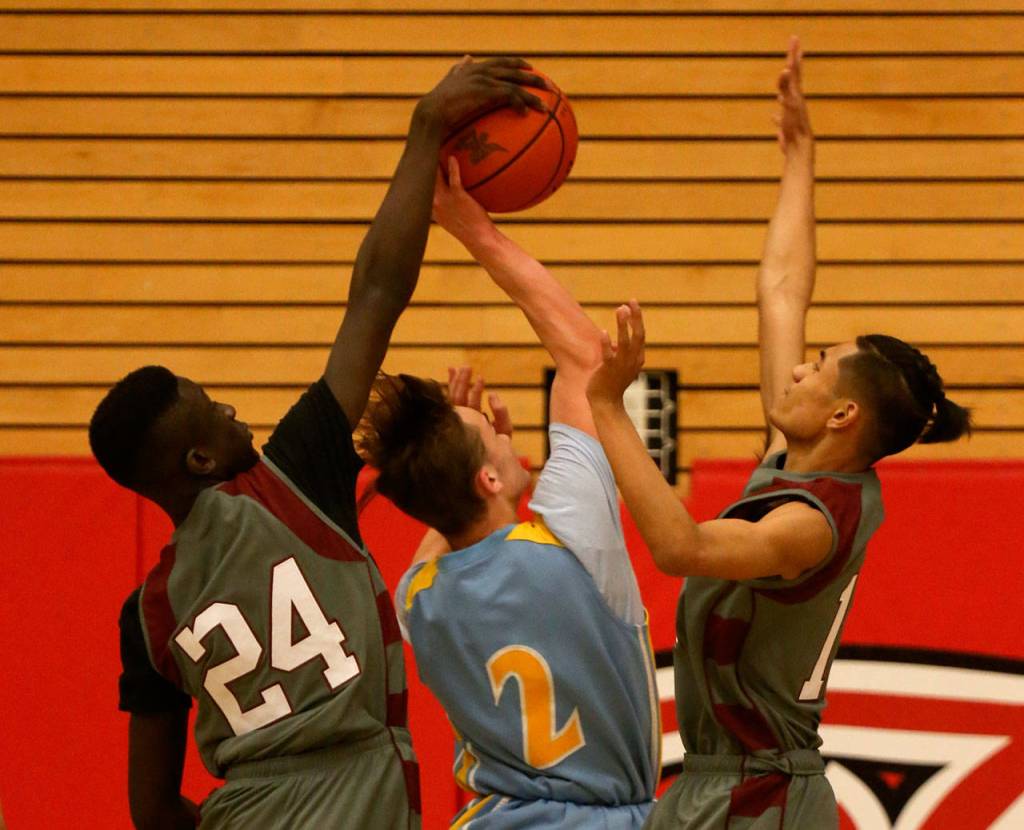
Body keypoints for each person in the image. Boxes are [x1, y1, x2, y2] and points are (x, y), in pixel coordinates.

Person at [89, 58, 546, 830]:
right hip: (358, 797)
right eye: (215, 408)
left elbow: (152, 809)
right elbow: (376, 289)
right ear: (199, 461)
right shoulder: (292, 478)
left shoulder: (147, 614)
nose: (234, 410)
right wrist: (424, 130)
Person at [585, 38, 971, 830]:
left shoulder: (807, 524)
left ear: (843, 416)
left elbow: (681, 550)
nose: (797, 370)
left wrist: (609, 410)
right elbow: (782, 286)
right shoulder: (792, 461)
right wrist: (800, 157)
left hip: (761, 797)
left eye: (819, 367)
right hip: (721, 785)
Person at [358, 157, 661, 828]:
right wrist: (473, 227)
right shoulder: (575, 543)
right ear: (487, 479)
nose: (503, 433)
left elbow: (454, 532)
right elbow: (584, 358)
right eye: (491, 437)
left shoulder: (419, 598)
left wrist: (459, 453)